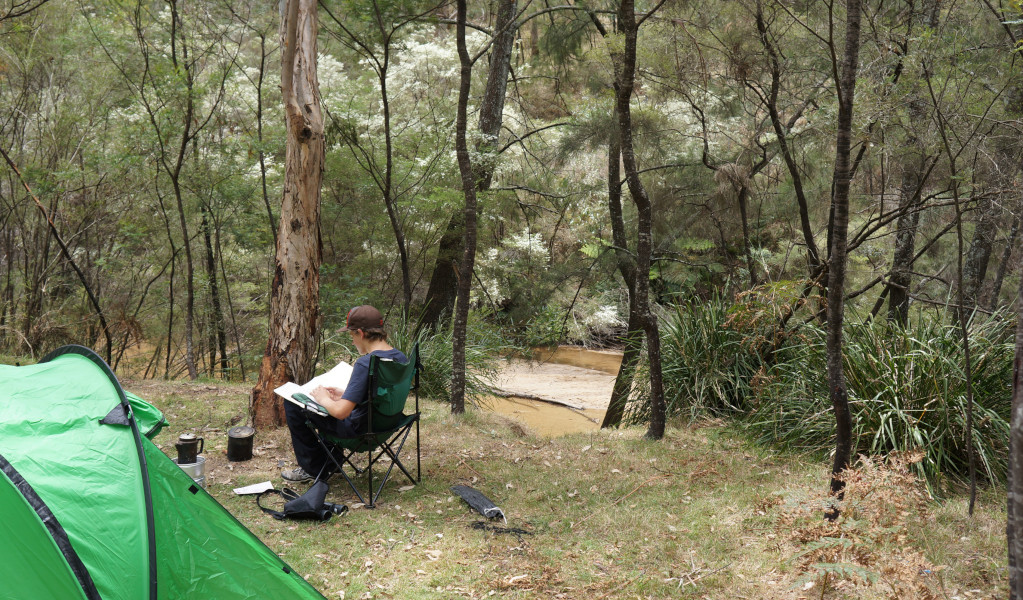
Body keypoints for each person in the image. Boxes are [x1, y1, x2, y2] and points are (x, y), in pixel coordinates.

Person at [282, 305, 407, 482]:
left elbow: (341, 412)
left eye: (352, 336)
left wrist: (324, 399)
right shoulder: (400, 358)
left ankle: (314, 469)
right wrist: (347, 395)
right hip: (387, 425)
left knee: (294, 404)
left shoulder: (366, 363)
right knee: (328, 405)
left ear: (361, 333)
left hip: (359, 431)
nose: (352, 341)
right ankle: (331, 463)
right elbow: (382, 394)